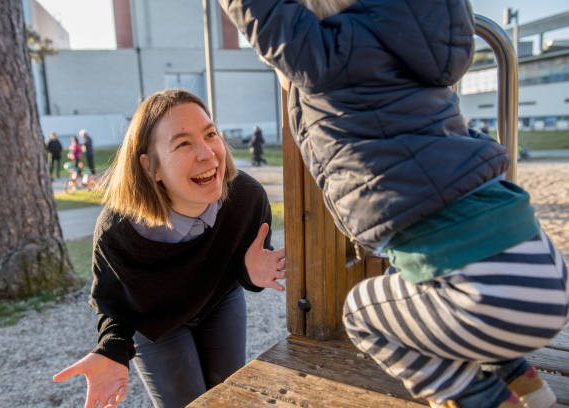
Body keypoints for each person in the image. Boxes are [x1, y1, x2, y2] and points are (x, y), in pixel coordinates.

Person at [219, 1, 569, 408]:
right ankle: (527, 387)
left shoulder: (329, 56)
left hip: (490, 293)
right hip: (542, 266)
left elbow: (266, 17)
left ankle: (484, 400)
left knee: (363, 317)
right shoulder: (420, 52)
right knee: (433, 290)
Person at [53, 89, 286, 408]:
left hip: (218, 300)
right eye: (183, 143)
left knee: (228, 397)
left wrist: (248, 274)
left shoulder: (246, 199)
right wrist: (112, 350)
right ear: (152, 168)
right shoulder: (119, 231)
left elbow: (242, 265)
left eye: (210, 134)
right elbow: (115, 302)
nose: (207, 153)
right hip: (156, 322)